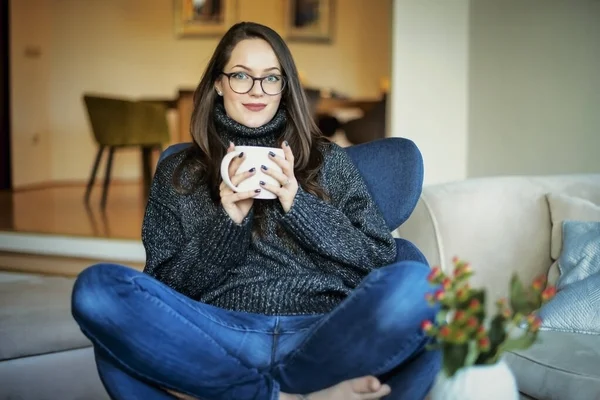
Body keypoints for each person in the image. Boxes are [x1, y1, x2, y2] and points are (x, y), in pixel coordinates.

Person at [71, 21, 440, 400]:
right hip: (217, 339)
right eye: (241, 76)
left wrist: (298, 205)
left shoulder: (327, 160)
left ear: (285, 87)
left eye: (271, 78)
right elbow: (163, 288)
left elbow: (379, 257)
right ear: (218, 83)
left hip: (322, 335)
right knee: (97, 288)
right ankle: (279, 397)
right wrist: (228, 220)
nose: (256, 91)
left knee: (419, 285)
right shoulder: (179, 171)